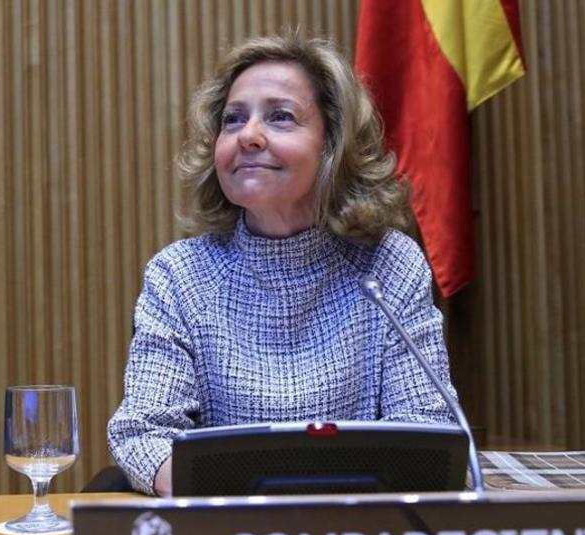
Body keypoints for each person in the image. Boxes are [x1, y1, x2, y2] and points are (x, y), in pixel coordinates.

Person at [107, 34, 457, 497]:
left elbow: (427, 431)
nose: (248, 135)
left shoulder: (391, 264)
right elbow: (141, 433)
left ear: (332, 145)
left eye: (280, 117)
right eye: (233, 120)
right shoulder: (179, 276)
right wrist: (245, 504)